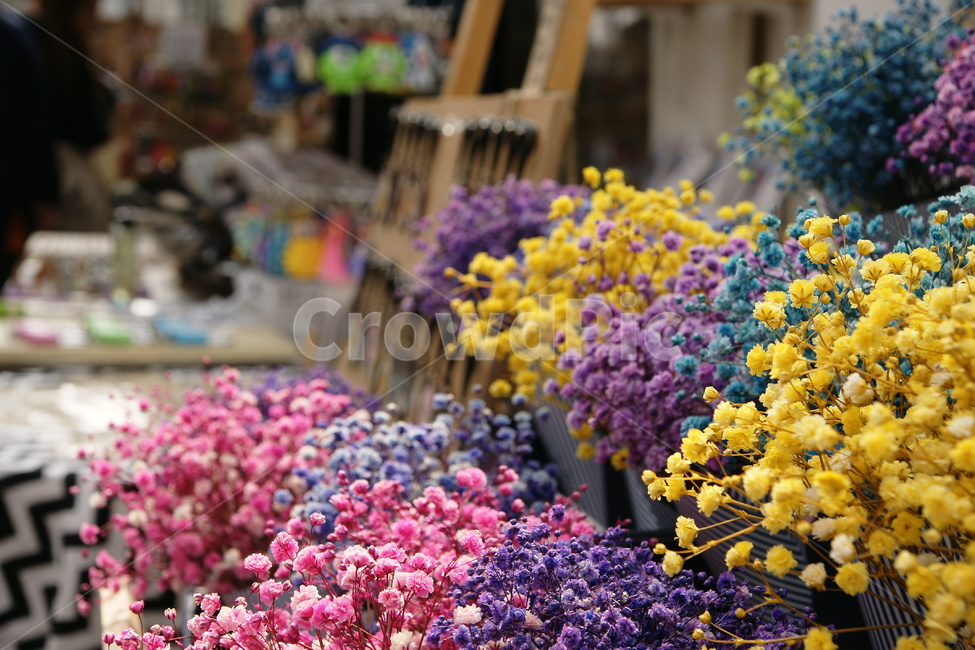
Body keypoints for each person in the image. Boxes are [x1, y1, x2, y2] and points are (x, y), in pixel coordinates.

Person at [29, 0, 115, 233]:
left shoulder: (33, 39)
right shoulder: (60, 53)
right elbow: (86, 129)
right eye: (90, 11)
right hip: (65, 177)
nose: (97, 19)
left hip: (52, 177)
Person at [0, 8, 61, 287]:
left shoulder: (11, 33)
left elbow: (32, 122)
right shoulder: (11, 33)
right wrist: (45, 194)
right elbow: (33, 122)